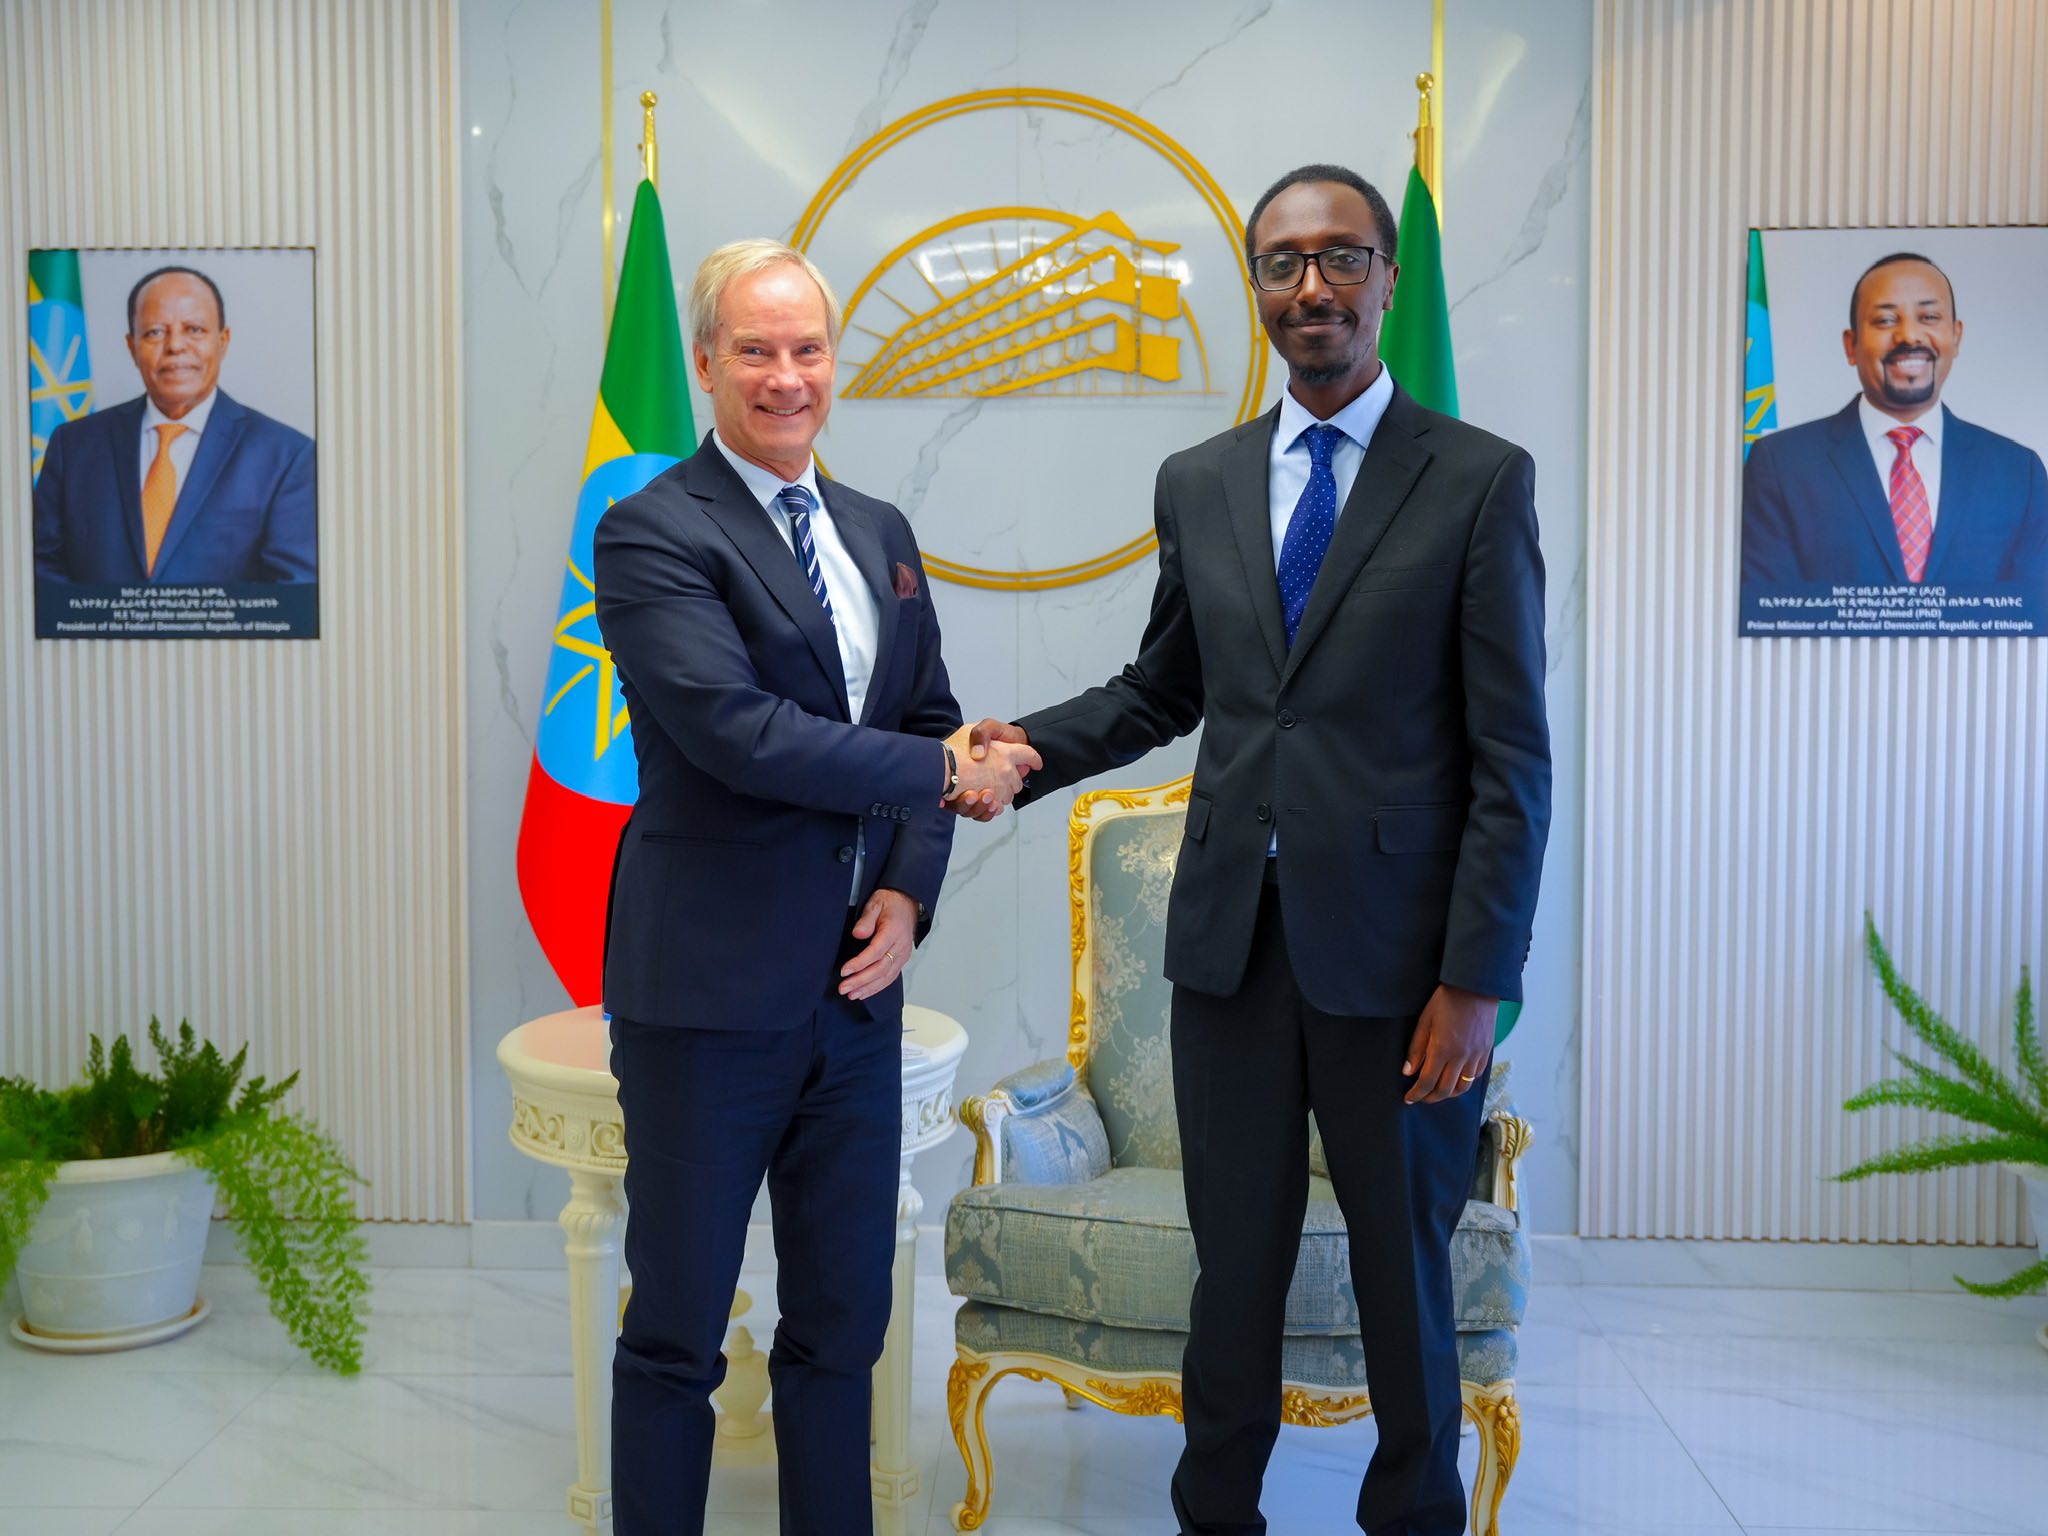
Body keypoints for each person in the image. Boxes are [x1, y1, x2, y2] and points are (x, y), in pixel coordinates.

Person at [963, 165, 1551, 1535]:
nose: (1311, 287)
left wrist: (1477, 980)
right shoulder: (1202, 480)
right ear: (1256, 290)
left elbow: (1513, 757)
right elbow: (1162, 687)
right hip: (1229, 950)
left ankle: (1412, 1516)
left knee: (1404, 1273)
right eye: (1282, 263)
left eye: (1340, 258)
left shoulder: (1476, 480)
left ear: (1386, 279)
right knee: (1232, 1268)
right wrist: (1026, 750)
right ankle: (1216, 1513)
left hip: (1402, 966)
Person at [591, 238, 1039, 1536]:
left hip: (854, 999)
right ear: (705, 363)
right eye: (755, 350)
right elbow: (739, 735)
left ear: (834, 360)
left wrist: (906, 892)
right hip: (706, 997)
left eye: (807, 349)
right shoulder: (652, 529)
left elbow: (928, 713)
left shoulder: (877, 531)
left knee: (842, 1328)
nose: (786, 377)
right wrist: (943, 769)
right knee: (677, 1331)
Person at [1741, 251, 2048, 588]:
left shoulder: (2018, 472)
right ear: (1851, 345)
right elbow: (1768, 605)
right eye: (1886, 320)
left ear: (1956, 337)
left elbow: (2031, 607)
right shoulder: (1781, 464)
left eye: (1929, 316)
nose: (1909, 336)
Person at [32, 265, 317, 584]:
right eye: (155, 332)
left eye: (194, 329)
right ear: (132, 347)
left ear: (223, 341)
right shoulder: (73, 446)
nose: (175, 346)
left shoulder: (288, 457)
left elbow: (291, 592)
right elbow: (41, 569)